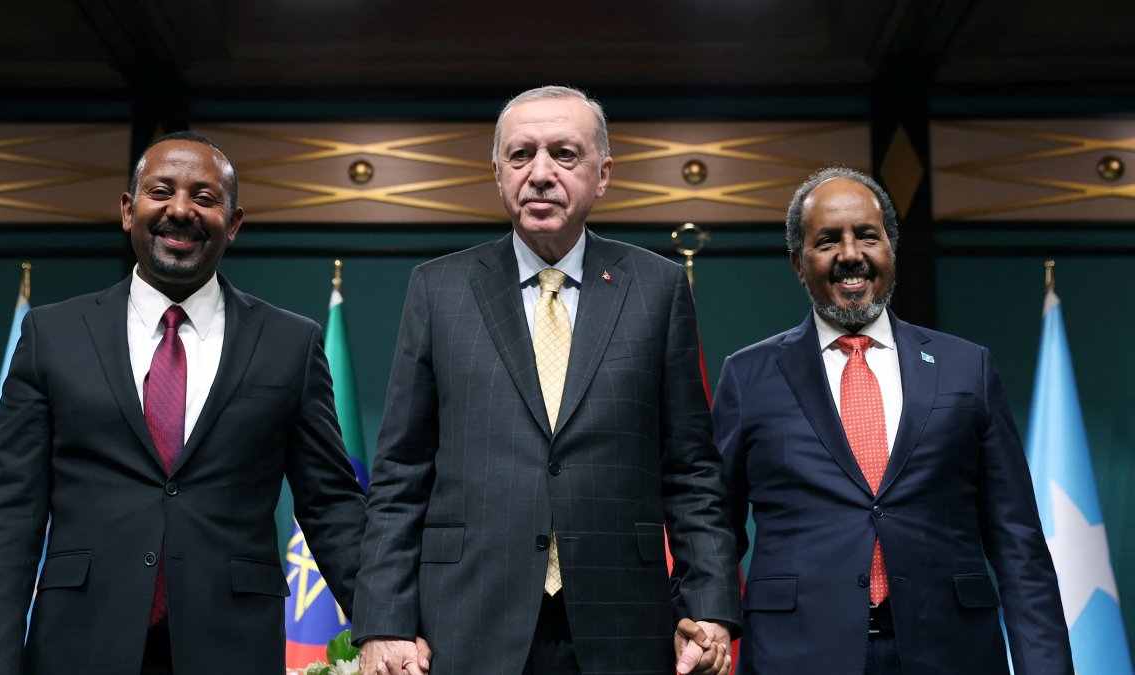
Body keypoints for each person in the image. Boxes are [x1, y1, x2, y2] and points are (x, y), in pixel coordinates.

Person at [352, 86, 741, 675]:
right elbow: (401, 472)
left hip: (624, 621)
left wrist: (710, 607)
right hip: (467, 617)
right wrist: (383, 621)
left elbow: (691, 470)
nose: (540, 173)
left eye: (564, 153)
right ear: (497, 172)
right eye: (520, 155)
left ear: (602, 173)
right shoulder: (439, 290)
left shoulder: (658, 289)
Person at [0, 132, 368, 674]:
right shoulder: (51, 335)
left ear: (236, 222)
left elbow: (331, 506)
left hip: (231, 648)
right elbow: (9, 517)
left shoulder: (289, 344)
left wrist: (383, 623)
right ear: (129, 211)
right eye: (162, 192)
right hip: (79, 646)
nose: (181, 211)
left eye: (205, 198)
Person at [712, 166, 1073, 674]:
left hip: (951, 651)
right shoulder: (748, 375)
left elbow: (1018, 541)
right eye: (827, 241)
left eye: (866, 236)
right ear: (798, 262)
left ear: (891, 250)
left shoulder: (968, 367)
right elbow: (715, 528)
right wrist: (706, 619)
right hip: (799, 653)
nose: (851, 255)